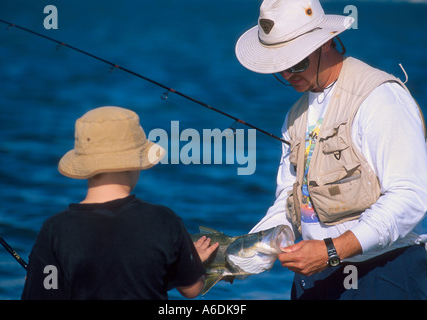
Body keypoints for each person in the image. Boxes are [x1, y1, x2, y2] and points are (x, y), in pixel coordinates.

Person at [235, 0, 427, 299]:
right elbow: (289, 202)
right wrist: (238, 257)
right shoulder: (294, 116)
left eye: (295, 63)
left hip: (385, 273)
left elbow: (410, 197)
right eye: (279, 67)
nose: (288, 75)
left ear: (325, 43)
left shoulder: (380, 98)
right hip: (315, 276)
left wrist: (330, 251)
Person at [21, 106, 218, 300]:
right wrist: (195, 263)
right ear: (135, 163)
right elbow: (191, 291)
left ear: (84, 164)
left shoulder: (55, 229)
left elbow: (42, 291)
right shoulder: (164, 220)